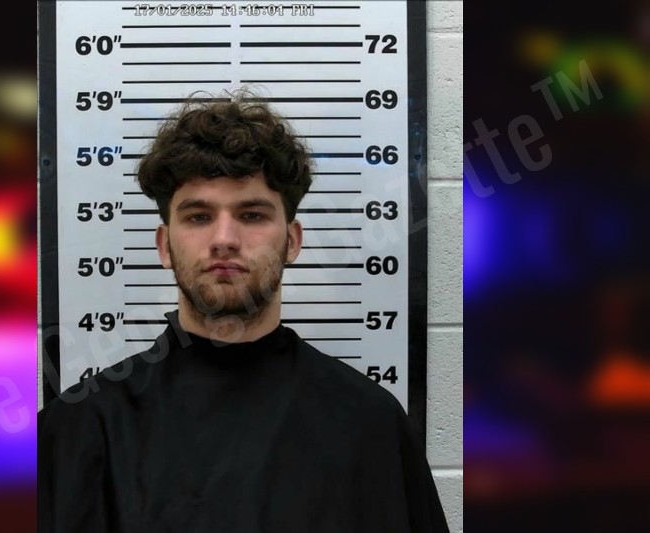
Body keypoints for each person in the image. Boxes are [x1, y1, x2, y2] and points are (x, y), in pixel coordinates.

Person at [38, 91, 449, 532]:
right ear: (164, 245)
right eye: (198, 217)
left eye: (251, 215)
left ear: (292, 241)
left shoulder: (372, 426)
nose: (224, 239)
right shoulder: (80, 431)